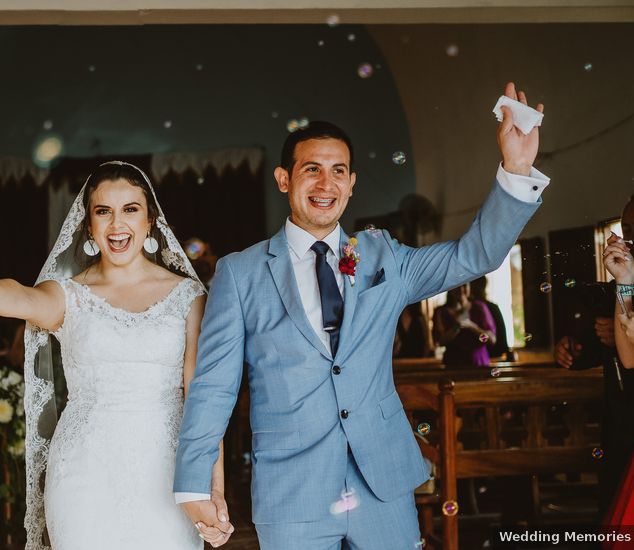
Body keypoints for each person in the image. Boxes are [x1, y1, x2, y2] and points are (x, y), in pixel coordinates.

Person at [174, 82, 546, 549]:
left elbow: (474, 256)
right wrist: (193, 483)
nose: (326, 184)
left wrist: (516, 167)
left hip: (382, 482)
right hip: (293, 491)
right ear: (284, 179)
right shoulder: (239, 273)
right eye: (312, 170)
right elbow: (213, 384)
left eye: (338, 171)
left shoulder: (383, 255)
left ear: (352, 184)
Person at [0, 161, 225, 550]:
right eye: (103, 211)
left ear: (150, 222)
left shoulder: (188, 296)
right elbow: (21, 296)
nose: (117, 225)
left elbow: (204, 399)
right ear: (88, 226)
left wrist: (213, 488)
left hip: (168, 477)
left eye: (130, 209)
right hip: (83, 475)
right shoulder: (68, 295)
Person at [555, 190, 634, 517]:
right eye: (630, 228)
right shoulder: (618, 287)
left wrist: (629, 332)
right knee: (620, 507)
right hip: (621, 415)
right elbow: (622, 355)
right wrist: (574, 351)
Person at [432, 284, 497, 368]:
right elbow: (440, 342)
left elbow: (491, 339)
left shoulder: (479, 307)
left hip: (479, 362)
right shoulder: (441, 311)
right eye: (457, 286)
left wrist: (472, 326)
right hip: (453, 363)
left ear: (469, 287)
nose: (461, 289)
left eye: (464, 285)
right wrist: (456, 327)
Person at [470, 276, 509, 360]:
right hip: (490, 356)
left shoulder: (488, 307)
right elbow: (502, 342)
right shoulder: (492, 307)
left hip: (485, 357)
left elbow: (500, 340)